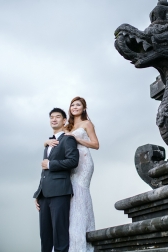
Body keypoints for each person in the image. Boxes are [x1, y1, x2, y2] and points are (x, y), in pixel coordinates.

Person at [44, 97, 99, 252]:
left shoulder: (87, 124)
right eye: (73, 105)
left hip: (84, 162)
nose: (75, 107)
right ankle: (70, 241)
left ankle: (81, 241)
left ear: (84, 107)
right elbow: (58, 140)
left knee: (80, 193)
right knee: (70, 196)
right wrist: (46, 143)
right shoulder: (68, 126)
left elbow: (96, 144)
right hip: (69, 163)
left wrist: (77, 138)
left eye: (78, 105)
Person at [33, 108, 79, 252]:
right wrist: (38, 194)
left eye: (57, 117)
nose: (54, 119)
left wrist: (51, 164)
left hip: (60, 192)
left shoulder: (68, 139)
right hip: (44, 195)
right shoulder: (48, 143)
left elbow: (73, 161)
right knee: (45, 236)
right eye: (51, 117)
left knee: (60, 234)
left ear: (64, 120)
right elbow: (44, 171)